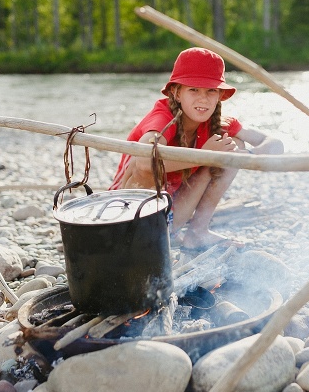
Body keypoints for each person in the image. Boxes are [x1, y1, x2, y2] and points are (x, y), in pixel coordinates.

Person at [110, 47, 283, 251]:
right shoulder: (163, 117)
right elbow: (143, 162)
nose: (203, 99)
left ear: (219, 95)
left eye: (211, 90)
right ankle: (143, 243)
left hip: (171, 216)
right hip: (127, 216)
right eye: (194, 89)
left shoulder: (218, 123)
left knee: (234, 145)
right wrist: (205, 156)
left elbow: (275, 144)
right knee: (144, 160)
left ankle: (197, 233)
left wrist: (245, 155)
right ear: (176, 92)